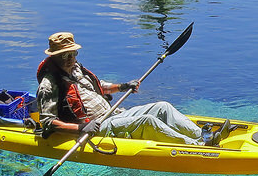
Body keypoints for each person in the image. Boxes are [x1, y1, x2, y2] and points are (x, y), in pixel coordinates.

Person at [35, 31, 217, 146]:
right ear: (54, 56)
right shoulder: (49, 85)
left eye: (73, 53)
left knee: (163, 107)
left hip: (113, 114)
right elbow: (48, 122)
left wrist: (123, 86)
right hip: (95, 127)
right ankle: (195, 146)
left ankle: (204, 135)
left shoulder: (76, 68)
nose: (70, 58)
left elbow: (100, 87)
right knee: (146, 121)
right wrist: (81, 128)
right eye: (64, 55)